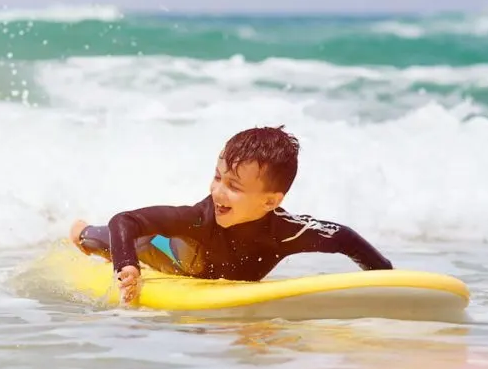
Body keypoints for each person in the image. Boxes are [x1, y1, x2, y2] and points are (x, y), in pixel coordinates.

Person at [68, 125, 393, 303]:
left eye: (234, 186)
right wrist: (127, 267)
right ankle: (82, 230)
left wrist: (386, 279)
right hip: (163, 252)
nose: (218, 191)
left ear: (270, 201)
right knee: (103, 239)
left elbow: (344, 238)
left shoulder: (287, 231)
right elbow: (126, 220)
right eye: (218, 177)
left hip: (212, 272)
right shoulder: (199, 218)